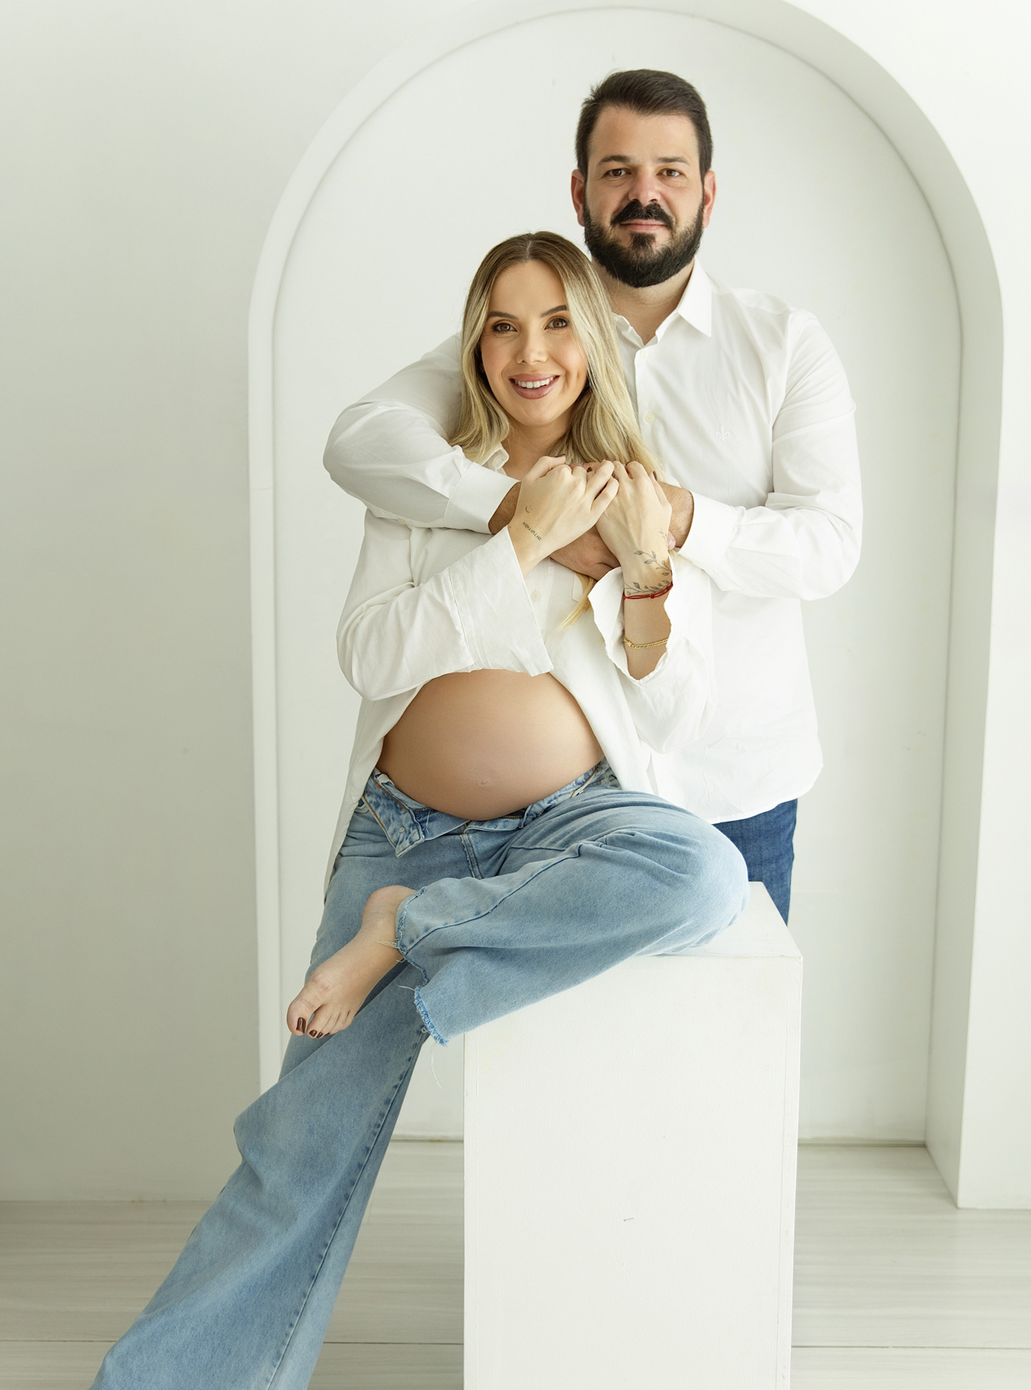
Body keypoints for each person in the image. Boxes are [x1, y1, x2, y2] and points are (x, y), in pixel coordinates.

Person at [0, 232, 744, 1390]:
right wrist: (518, 541)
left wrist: (648, 572)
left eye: (558, 322)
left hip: (564, 826)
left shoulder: (643, 492)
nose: (531, 351)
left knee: (701, 877)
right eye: (502, 325)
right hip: (405, 828)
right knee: (304, 1139)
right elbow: (370, 652)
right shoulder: (432, 484)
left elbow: (680, 717)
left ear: (595, 343)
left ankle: (408, 928)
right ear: (473, 346)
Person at [324, 69, 863, 923]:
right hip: (576, 791)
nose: (644, 193)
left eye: (670, 171)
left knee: (726, 999)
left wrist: (674, 524)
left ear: (707, 192)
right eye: (618, 171)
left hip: (736, 778)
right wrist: (523, 515)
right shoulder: (532, 339)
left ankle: (407, 937)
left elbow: (828, 546)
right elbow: (361, 439)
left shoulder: (782, 345)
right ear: (580, 192)